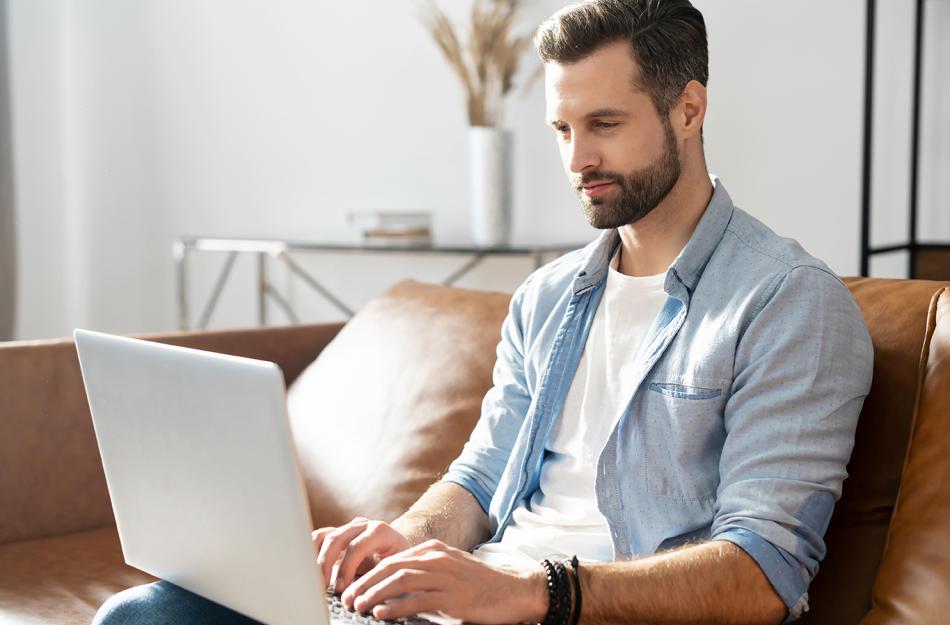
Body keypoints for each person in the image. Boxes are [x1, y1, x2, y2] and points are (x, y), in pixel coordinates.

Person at [94, 1, 873, 624]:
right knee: (143, 613)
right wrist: (398, 543)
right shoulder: (549, 296)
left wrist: (530, 591)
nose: (577, 161)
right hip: (473, 607)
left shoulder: (787, 302)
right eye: (563, 130)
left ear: (689, 111)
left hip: (563, 610)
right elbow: (480, 477)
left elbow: (762, 573)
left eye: (604, 124)